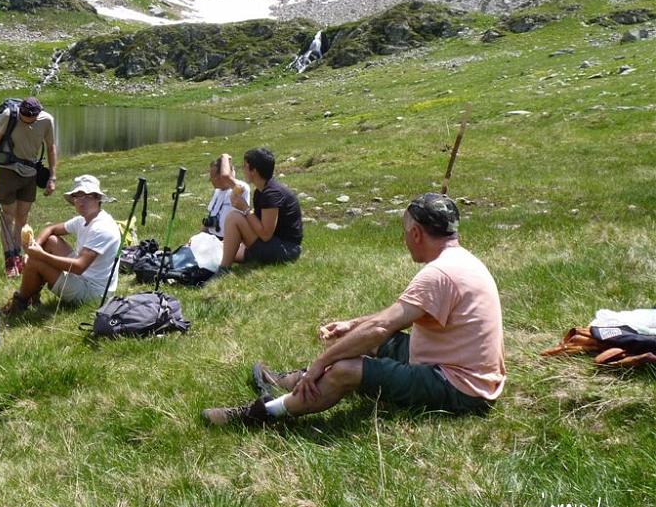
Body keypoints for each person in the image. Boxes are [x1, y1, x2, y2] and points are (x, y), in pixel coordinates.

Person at [202, 193, 505, 426]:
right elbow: (394, 318)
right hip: (457, 369)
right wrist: (353, 324)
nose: (404, 240)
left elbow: (380, 328)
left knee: (346, 369)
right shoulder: (460, 262)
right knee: (365, 340)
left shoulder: (438, 275)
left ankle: (262, 413)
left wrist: (324, 360)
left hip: (460, 389)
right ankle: (289, 381)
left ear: (416, 234)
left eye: (404, 232)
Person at [0, 174, 121, 315]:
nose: (81, 202)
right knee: (51, 241)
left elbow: (79, 267)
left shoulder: (101, 228)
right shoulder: (84, 220)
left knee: (35, 262)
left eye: (87, 196)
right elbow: (50, 229)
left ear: (97, 198)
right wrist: (35, 246)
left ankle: (20, 303)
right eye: (77, 196)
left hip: (94, 293)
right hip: (84, 278)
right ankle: (32, 295)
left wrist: (40, 255)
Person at [0, 97, 58, 278]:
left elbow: (51, 148)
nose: (24, 119)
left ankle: (18, 257)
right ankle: (10, 260)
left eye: (28, 117)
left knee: (22, 218)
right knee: (8, 217)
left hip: (30, 173)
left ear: (36, 115)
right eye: (22, 115)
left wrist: (52, 177)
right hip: (9, 170)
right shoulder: (10, 115)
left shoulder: (47, 121)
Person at [218, 147, 302, 272]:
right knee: (223, 248)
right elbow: (256, 226)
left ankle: (223, 270)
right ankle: (228, 260)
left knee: (234, 217)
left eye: (245, 166)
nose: (243, 170)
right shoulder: (261, 192)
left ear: (254, 171)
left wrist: (245, 208)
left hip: (285, 250)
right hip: (275, 244)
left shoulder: (271, 194)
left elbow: (265, 234)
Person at [201, 153, 250, 240]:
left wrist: (225, 156)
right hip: (212, 238)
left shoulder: (240, 188)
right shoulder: (217, 191)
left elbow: (226, 176)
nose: (211, 181)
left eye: (214, 178)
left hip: (228, 241)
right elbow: (209, 219)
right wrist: (198, 238)